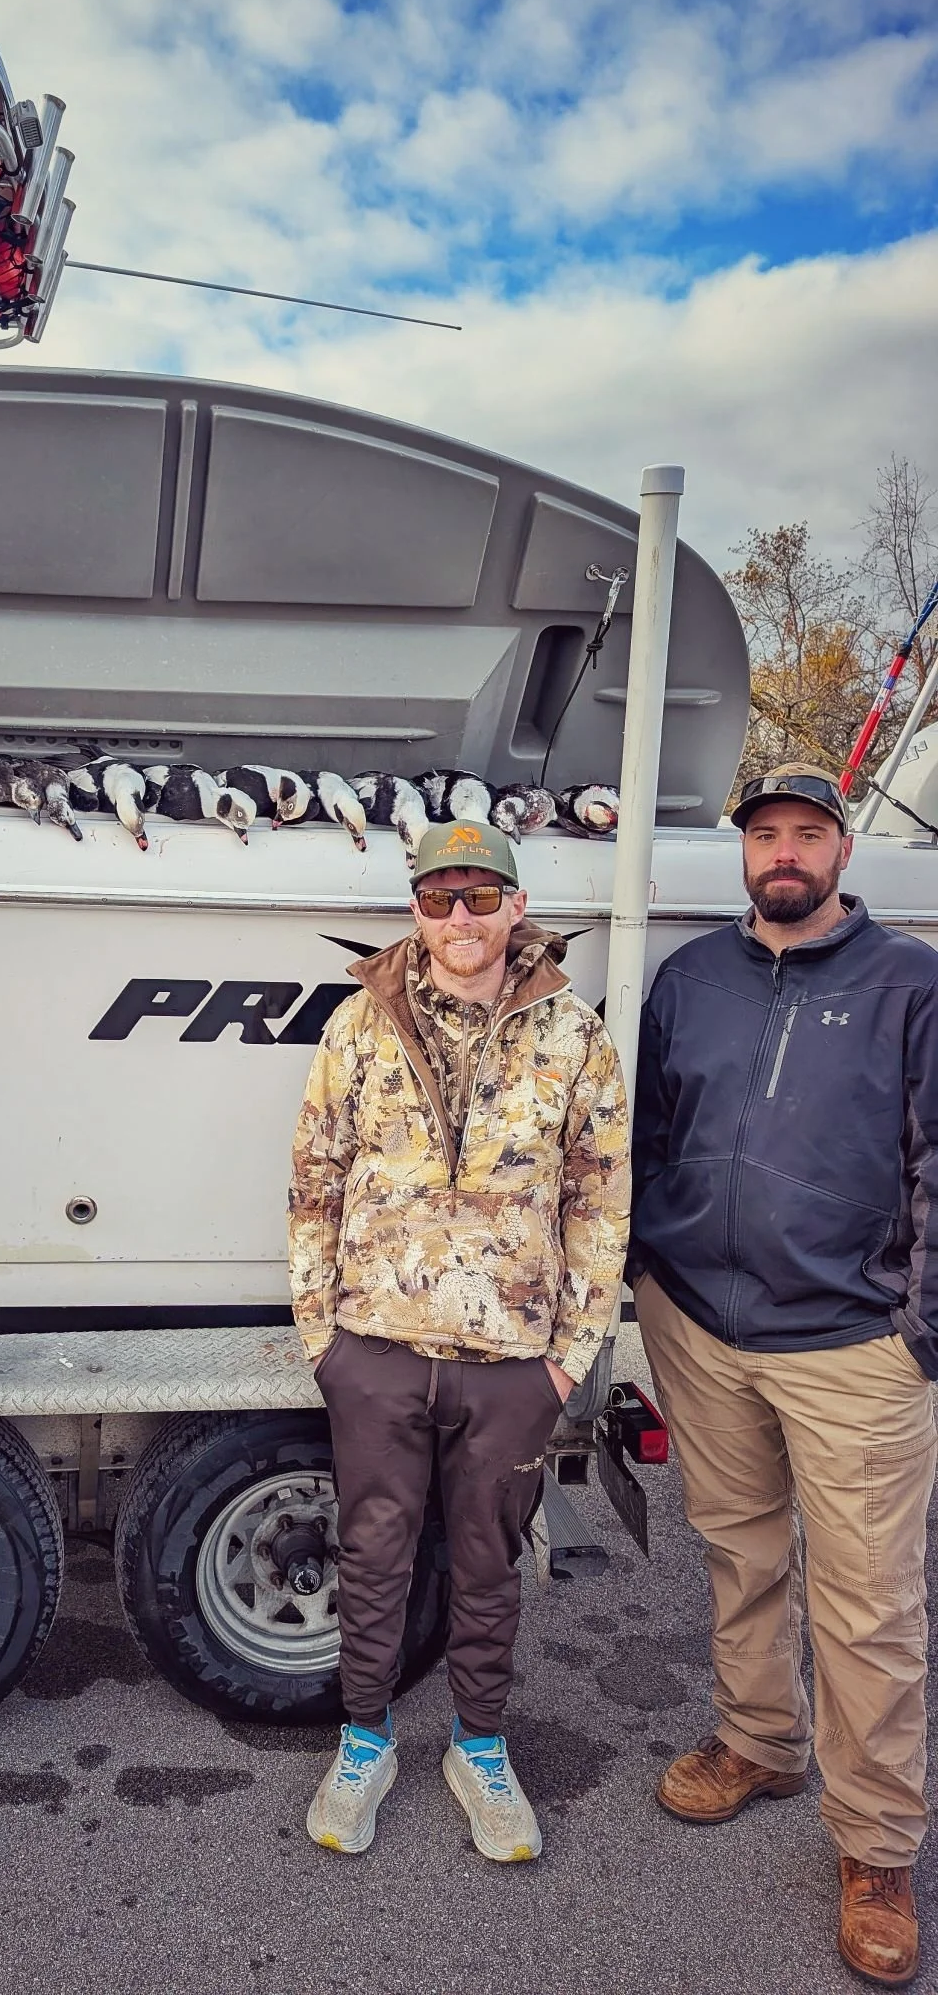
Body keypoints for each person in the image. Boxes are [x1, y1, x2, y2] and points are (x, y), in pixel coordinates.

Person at [632, 763, 938, 1989]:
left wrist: (922, 1328)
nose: (785, 854)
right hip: (703, 1327)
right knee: (739, 1549)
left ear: (843, 849)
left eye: (808, 832)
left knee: (870, 1604)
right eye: (766, 835)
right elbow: (651, 1134)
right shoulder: (689, 980)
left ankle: (877, 1846)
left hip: (852, 1347)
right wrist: (650, 1270)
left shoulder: (912, 982)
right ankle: (759, 1740)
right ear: (744, 852)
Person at [289, 818, 629, 1862]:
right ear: (416, 913)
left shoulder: (572, 1035)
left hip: (512, 1365)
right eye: (441, 899)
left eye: (482, 897)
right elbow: (316, 1178)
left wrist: (566, 1357)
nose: (461, 918)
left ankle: (480, 1748)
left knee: (487, 1565)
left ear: (518, 909)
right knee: (375, 1552)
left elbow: (600, 1200)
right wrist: (322, 1339)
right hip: (378, 1350)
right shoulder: (359, 1026)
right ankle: (364, 1743)